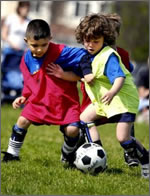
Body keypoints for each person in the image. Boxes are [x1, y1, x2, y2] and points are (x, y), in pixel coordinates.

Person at [46, 14, 149, 178]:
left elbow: (120, 77)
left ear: (104, 40)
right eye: (87, 41)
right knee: (85, 118)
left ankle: (146, 159)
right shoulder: (86, 57)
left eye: (96, 41)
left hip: (123, 99)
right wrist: (62, 74)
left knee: (123, 138)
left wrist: (113, 91)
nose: (91, 45)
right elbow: (80, 76)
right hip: (105, 100)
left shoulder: (109, 56)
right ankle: (97, 152)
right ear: (82, 38)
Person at [1, 19, 88, 167]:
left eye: (44, 45)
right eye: (35, 45)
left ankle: (67, 155)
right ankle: (12, 154)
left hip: (65, 103)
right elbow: (29, 80)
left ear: (50, 39)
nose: (40, 49)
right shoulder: (26, 58)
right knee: (22, 121)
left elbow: (85, 56)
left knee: (73, 130)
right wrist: (24, 96)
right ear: (26, 41)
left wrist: (64, 74)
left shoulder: (62, 52)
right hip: (40, 101)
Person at [1, 1, 31, 103]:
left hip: (22, 52)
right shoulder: (11, 19)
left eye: (27, 8)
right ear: (19, 8)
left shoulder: (29, 22)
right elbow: (4, 34)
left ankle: (18, 92)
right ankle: (6, 91)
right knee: (9, 72)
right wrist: (12, 44)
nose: (25, 10)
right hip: (10, 50)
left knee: (20, 74)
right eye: (24, 8)